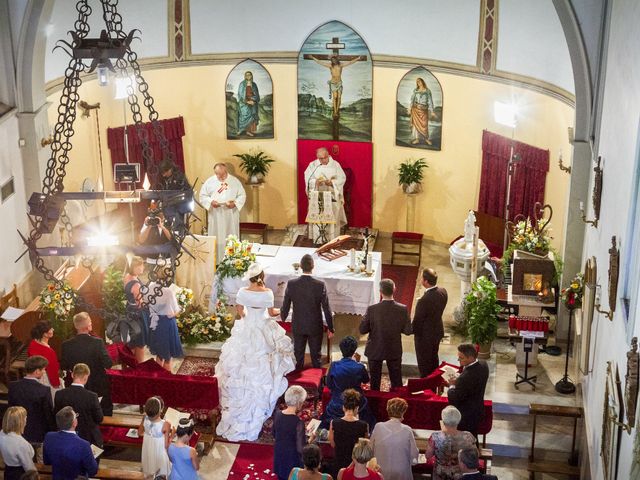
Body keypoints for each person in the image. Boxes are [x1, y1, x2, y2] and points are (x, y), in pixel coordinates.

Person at [215, 263, 295, 441]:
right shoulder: (267, 293)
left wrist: (247, 319)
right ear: (262, 276)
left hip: (248, 327)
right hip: (262, 328)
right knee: (264, 362)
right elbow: (271, 312)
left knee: (241, 363)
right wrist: (282, 313)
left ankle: (239, 401)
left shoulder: (243, 292)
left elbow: (240, 311)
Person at [280, 254, 335, 369]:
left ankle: (297, 383)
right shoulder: (320, 285)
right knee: (316, 357)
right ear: (313, 266)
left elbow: (285, 305)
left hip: (298, 325)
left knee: (298, 355)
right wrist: (331, 328)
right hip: (315, 326)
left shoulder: (292, 284)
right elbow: (326, 308)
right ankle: (317, 382)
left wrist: (283, 318)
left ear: (300, 266)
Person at [359, 279, 412, 390]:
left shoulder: (372, 309)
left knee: (374, 381)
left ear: (380, 291)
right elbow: (407, 331)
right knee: (396, 381)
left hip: (375, 348)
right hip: (393, 349)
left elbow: (362, 329)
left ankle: (375, 404)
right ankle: (397, 403)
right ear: (394, 290)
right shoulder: (402, 309)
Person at [61, 312, 114, 416]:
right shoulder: (97, 343)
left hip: (77, 386)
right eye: (90, 322)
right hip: (97, 386)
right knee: (102, 413)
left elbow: (64, 366)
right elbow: (108, 364)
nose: (91, 324)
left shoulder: (66, 345)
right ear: (86, 326)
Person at [321, 336, 374, 430]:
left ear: (341, 350)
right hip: (356, 402)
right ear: (354, 351)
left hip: (338, 403)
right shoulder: (360, 367)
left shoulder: (334, 365)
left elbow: (329, 385)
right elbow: (366, 380)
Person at [199, 162, 246, 262]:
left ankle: (232, 260)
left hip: (230, 214)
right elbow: (202, 196)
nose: (220, 177)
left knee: (231, 235)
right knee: (216, 236)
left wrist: (235, 203)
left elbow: (242, 195)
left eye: (222, 175)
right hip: (216, 214)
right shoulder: (210, 181)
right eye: (217, 174)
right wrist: (211, 202)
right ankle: (216, 261)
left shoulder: (234, 181)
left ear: (226, 171)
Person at [8, 355, 55, 447]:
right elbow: (48, 414)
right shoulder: (44, 390)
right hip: (37, 435)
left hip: (17, 433)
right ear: (37, 371)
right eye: (43, 370)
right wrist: (53, 432)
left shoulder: (13, 386)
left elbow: (10, 410)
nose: (44, 372)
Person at [53, 363, 104, 448]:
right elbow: (99, 418)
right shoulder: (92, 396)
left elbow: (56, 416)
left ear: (72, 375)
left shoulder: (59, 394)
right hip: (88, 438)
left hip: (66, 438)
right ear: (86, 377)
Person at [303, 147, 347, 240]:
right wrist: (315, 182)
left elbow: (342, 178)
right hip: (317, 195)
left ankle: (333, 239)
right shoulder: (313, 165)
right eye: (320, 158)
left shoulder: (335, 165)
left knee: (332, 218)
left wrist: (332, 183)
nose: (322, 160)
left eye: (324, 158)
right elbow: (308, 179)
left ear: (328, 155)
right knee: (318, 217)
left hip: (332, 196)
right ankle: (318, 238)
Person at [446, 344, 490, 437]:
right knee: (473, 439)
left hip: (466, 416)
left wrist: (452, 386)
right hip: (477, 410)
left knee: (466, 443)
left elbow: (454, 398)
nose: (458, 360)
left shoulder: (467, 377)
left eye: (461, 358)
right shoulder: (483, 364)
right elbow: (471, 384)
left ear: (470, 358)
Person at [370, 398, 418, 480]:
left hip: (380, 469)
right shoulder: (407, 429)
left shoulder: (378, 426)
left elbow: (370, 448)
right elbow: (413, 454)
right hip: (401, 471)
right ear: (403, 412)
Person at [43, 406, 98, 480]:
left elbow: (47, 461)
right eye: (76, 417)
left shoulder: (49, 437)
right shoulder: (84, 445)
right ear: (74, 423)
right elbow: (93, 471)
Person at [412, 268, 448, 378]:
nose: (420, 279)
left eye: (421, 277)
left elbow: (417, 321)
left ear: (426, 281)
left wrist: (410, 330)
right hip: (437, 331)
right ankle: (434, 381)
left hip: (425, 337)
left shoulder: (424, 300)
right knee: (433, 359)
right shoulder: (443, 291)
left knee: (424, 363)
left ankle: (426, 385)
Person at [146, 273, 184, 372]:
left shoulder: (150, 288)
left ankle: (157, 378)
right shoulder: (168, 291)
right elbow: (171, 313)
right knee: (167, 357)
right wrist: (181, 308)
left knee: (159, 354)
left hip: (155, 323)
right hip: (166, 324)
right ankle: (167, 380)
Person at [425, 406, 476, 480]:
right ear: (459, 419)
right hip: (459, 474)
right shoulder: (468, 436)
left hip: (440, 474)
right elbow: (475, 455)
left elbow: (428, 455)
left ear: (443, 420)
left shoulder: (435, 436)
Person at [328, 389, 369, 479]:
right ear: (357, 408)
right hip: (356, 466)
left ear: (343, 407)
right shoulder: (363, 425)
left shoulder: (334, 423)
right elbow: (364, 447)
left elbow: (332, 444)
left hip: (338, 463)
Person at [309, 55, 363, 119]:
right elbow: (320, 62)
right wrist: (313, 58)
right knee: (335, 97)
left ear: (337, 60)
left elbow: (350, 62)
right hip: (333, 83)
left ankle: (337, 111)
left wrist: (358, 58)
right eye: (332, 60)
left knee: (339, 97)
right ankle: (334, 111)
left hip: (339, 83)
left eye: (334, 59)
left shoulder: (341, 65)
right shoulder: (330, 66)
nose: (333, 61)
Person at [273, 386, 308, 480]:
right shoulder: (298, 422)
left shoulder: (277, 414)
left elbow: (274, 433)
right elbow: (301, 448)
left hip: (279, 454)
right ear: (299, 403)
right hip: (292, 460)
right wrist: (310, 439)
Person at [123, 256, 150, 363]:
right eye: (140, 265)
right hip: (137, 314)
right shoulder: (136, 284)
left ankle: (131, 364)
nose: (142, 267)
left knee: (132, 341)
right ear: (134, 267)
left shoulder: (127, 276)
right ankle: (139, 366)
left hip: (129, 309)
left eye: (142, 265)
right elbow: (140, 304)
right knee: (140, 342)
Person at [139, 396, 172, 479]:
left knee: (150, 469)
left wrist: (150, 435)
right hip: (159, 452)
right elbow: (166, 445)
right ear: (160, 410)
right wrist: (173, 434)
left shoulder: (145, 418)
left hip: (148, 449)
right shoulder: (165, 424)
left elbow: (139, 433)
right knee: (161, 473)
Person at [26, 320, 62, 395]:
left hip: (33, 377)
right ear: (45, 334)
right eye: (51, 329)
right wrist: (56, 384)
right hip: (46, 379)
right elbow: (53, 371)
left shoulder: (33, 343)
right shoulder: (49, 351)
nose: (53, 330)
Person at [0, 407, 36, 480]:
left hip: (7, 471)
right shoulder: (21, 443)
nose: (26, 420)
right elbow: (29, 468)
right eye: (25, 418)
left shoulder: (2, 433)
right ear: (20, 422)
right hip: (20, 475)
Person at [409, 77, 435, 145]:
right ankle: (417, 139)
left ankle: (426, 139)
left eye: (419, 81)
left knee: (425, 125)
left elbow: (430, 101)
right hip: (416, 109)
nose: (418, 83)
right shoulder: (415, 90)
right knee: (416, 125)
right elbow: (412, 100)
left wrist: (432, 111)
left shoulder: (427, 91)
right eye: (417, 82)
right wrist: (410, 108)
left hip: (424, 110)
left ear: (422, 82)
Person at [237, 71, 260, 136]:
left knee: (252, 116)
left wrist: (253, 100)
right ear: (245, 76)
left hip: (252, 102)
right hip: (244, 103)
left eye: (249, 75)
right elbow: (240, 95)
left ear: (251, 76)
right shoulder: (242, 84)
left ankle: (249, 131)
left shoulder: (254, 84)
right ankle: (241, 130)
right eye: (246, 75)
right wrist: (247, 101)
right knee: (243, 116)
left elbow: (257, 95)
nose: (248, 76)